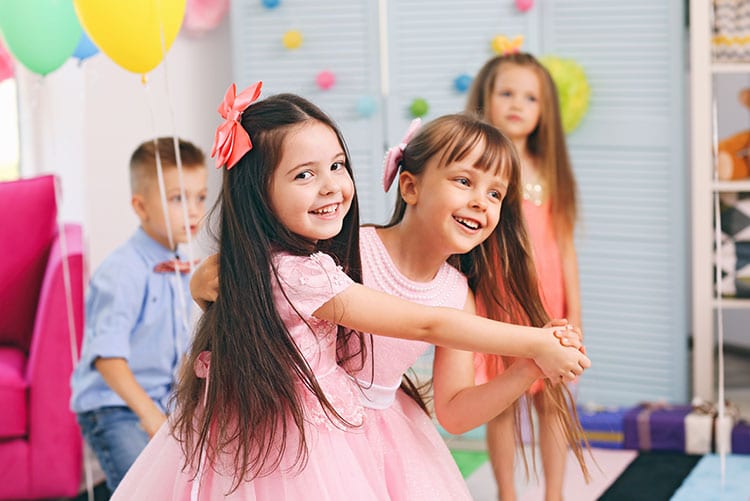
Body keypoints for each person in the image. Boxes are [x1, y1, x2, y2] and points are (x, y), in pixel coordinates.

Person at [112, 83, 589, 500]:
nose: (480, 203)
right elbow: (262, 274)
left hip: (386, 439)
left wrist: (528, 367)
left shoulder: (457, 294)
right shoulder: (343, 247)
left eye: (495, 194)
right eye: (464, 181)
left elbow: (456, 411)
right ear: (409, 186)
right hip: (304, 431)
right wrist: (535, 340)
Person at [466, 52, 583, 501]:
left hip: (548, 305)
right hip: (498, 301)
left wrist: (576, 312)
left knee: (552, 403)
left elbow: (565, 247)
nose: (517, 104)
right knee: (501, 404)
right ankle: (507, 494)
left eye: (530, 97)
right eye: (507, 93)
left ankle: (554, 493)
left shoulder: (549, 169)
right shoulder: (483, 164)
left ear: (544, 110)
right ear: (486, 99)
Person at [69, 137, 208, 491]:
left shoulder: (180, 267)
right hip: (115, 406)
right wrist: (152, 419)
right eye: (178, 198)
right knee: (142, 489)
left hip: (161, 399)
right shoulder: (123, 271)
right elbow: (108, 359)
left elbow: (176, 347)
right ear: (141, 207)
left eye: (200, 197)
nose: (193, 210)